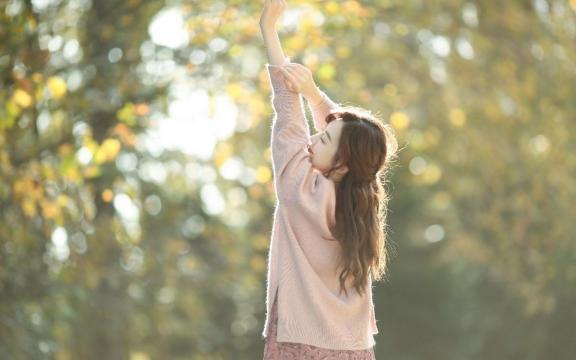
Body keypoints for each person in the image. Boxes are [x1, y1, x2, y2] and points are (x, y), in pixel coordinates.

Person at [259, 1, 399, 358]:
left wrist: (269, 29)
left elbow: (287, 108)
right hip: (354, 348)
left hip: (298, 344)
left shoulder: (299, 188)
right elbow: (355, 140)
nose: (310, 141)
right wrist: (317, 96)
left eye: (320, 140)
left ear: (341, 164)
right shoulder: (362, 201)